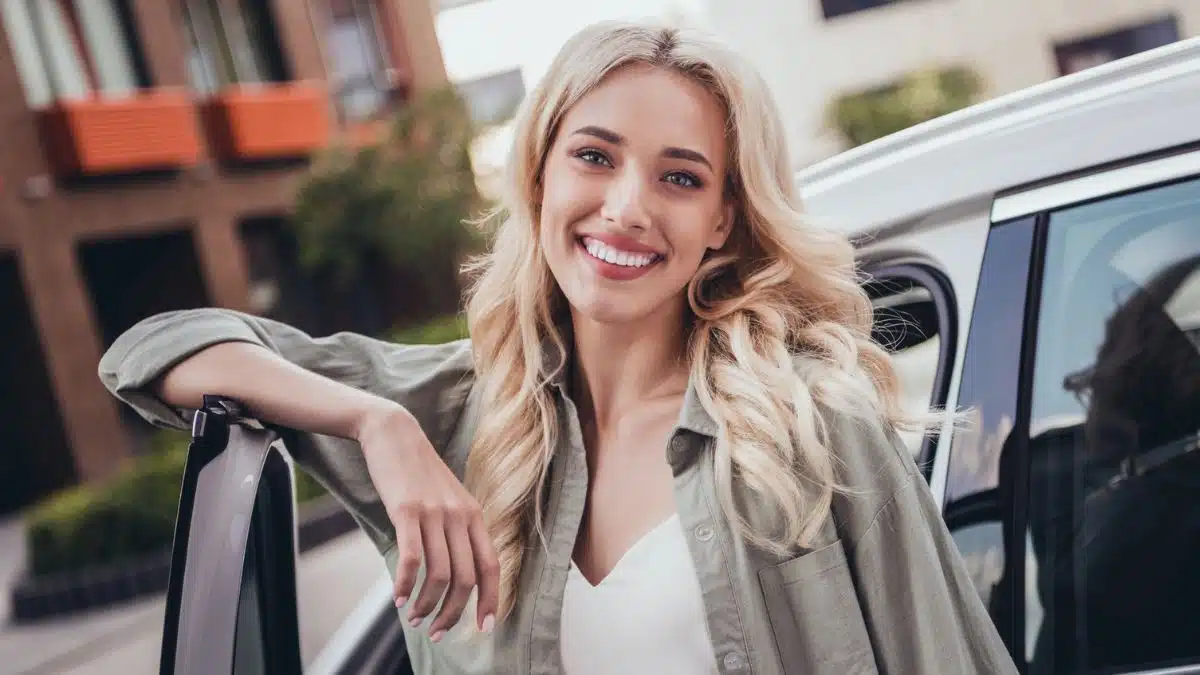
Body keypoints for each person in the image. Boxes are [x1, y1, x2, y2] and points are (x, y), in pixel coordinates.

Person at [99, 19, 1017, 675]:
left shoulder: (810, 429)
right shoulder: (453, 419)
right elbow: (153, 350)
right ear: (539, 172)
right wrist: (377, 423)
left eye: (680, 177)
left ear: (724, 220)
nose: (626, 207)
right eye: (595, 156)